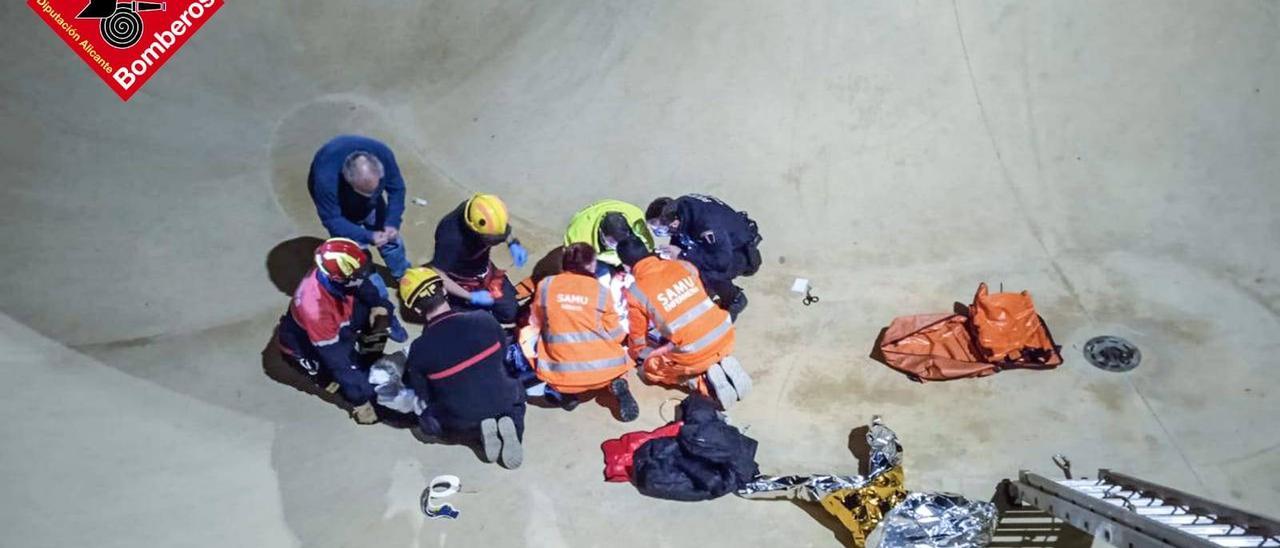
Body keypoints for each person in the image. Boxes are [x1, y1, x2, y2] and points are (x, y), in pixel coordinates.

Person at [399, 266, 527, 469]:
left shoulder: (419, 350)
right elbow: (503, 357)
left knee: (429, 421)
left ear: (415, 309)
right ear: (445, 290)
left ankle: (477, 434)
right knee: (515, 394)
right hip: (502, 396)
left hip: (462, 416)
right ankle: (513, 425)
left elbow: (423, 394)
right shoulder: (483, 320)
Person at [275, 238, 409, 425]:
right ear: (338, 278)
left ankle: (367, 358)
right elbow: (340, 365)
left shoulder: (343, 272)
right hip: (307, 345)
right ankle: (354, 396)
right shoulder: (314, 309)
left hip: (340, 318)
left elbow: (364, 286)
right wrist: (361, 401)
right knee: (348, 381)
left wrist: (379, 306)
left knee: (379, 322)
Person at [618, 239, 752, 409]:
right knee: (682, 342)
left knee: (650, 370)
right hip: (725, 334)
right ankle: (720, 363)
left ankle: (702, 383)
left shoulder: (635, 292)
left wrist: (641, 356)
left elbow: (638, 339)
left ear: (627, 266)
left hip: (694, 353)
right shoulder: (683, 266)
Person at [524, 243, 638, 421]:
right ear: (592, 266)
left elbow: (535, 321)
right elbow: (617, 335)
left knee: (529, 338)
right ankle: (620, 380)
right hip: (606, 371)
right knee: (622, 352)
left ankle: (566, 394)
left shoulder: (546, 285)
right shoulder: (601, 291)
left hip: (559, 376)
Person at [307, 135, 411, 282]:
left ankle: (403, 274)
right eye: (364, 194)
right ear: (347, 180)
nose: (369, 200)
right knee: (355, 254)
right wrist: (368, 236)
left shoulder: (383, 154)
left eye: (375, 191)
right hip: (340, 205)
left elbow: (397, 189)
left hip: (359, 186)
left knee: (390, 239)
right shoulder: (325, 179)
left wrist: (392, 222)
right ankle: (372, 288)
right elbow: (332, 219)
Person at [645, 194, 762, 319]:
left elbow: (721, 262)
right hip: (718, 242)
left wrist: (682, 254)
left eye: (659, 230)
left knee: (706, 271)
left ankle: (734, 299)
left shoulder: (707, 226)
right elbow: (679, 236)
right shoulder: (679, 210)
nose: (658, 233)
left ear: (674, 223)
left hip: (738, 251)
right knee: (681, 262)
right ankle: (706, 290)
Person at [429, 193, 529, 325]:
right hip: (461, 280)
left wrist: (512, 244)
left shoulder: (484, 212)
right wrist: (471, 296)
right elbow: (438, 274)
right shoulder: (451, 239)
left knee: (510, 314)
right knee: (472, 325)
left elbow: (502, 229)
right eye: (489, 241)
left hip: (485, 272)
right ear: (472, 228)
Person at [564, 199, 655, 268]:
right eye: (613, 245)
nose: (619, 250)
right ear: (601, 234)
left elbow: (647, 251)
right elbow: (575, 267)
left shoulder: (637, 219)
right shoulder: (577, 237)